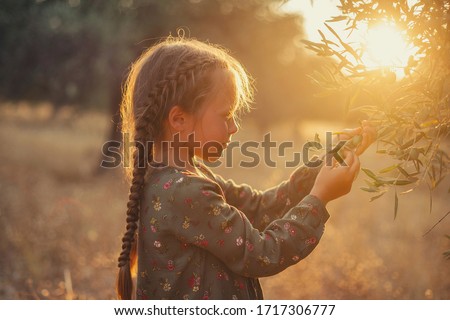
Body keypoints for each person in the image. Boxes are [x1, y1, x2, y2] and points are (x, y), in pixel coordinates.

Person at [115, 36, 375, 300]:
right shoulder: (184, 191)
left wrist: (325, 162)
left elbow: (262, 207)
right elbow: (262, 253)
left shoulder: (182, 178)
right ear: (179, 119)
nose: (234, 127)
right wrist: (319, 198)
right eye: (226, 115)